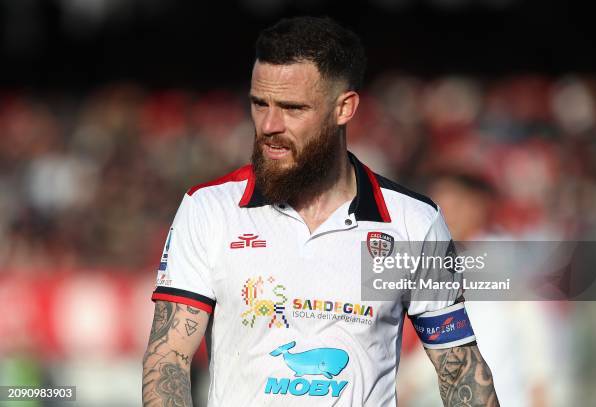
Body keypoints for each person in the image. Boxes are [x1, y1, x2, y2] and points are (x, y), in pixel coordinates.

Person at [142, 16, 499, 407]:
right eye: (259, 104)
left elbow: (461, 367)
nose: (269, 125)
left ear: (344, 108)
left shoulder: (412, 222)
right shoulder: (210, 209)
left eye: (293, 108)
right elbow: (169, 359)